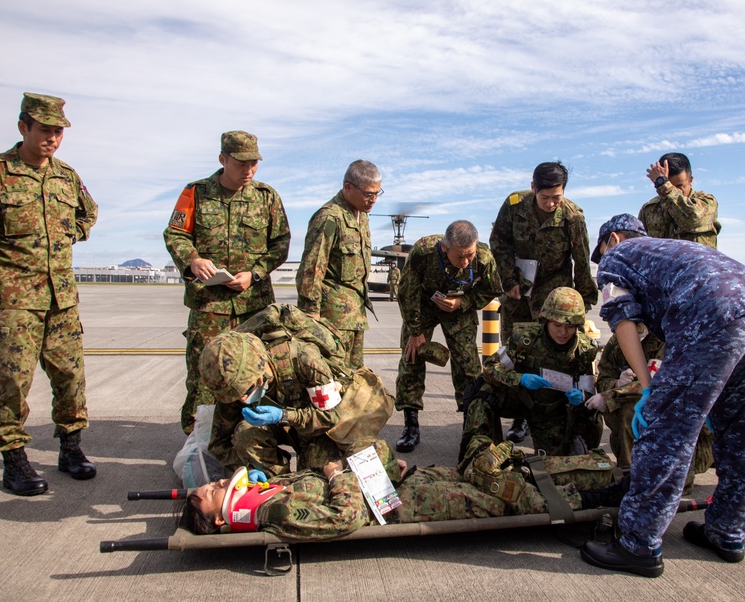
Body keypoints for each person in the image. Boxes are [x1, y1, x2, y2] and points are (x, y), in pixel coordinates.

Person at [580, 214, 745, 577]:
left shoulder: (617, 255)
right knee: (742, 430)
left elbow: (621, 320)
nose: (602, 260)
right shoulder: (674, 250)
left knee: (666, 432)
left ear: (612, 238)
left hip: (712, 313)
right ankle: (727, 532)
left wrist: (647, 387)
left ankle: (637, 544)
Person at [0, 92, 98, 495]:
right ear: (23, 127)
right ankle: (14, 459)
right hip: (14, 299)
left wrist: (72, 232)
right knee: (11, 382)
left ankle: (71, 449)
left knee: (71, 378)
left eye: (58, 132)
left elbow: (88, 211)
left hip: (62, 300)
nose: (52, 139)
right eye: (45, 130)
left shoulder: (66, 175)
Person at [180, 436, 626, 539]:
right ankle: (595, 498)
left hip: (400, 487)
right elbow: (343, 517)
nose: (215, 482)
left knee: (489, 469)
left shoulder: (264, 497)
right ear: (221, 517)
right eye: (210, 491)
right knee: (503, 495)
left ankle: (589, 475)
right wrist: (338, 477)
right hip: (404, 505)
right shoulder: (271, 514)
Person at [164, 131, 290, 435]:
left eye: (254, 164)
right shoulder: (195, 193)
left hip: (254, 306)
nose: (248, 170)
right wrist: (193, 260)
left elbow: (281, 243)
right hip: (210, 306)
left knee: (258, 375)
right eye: (241, 163)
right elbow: (175, 234)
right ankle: (201, 444)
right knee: (205, 376)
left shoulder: (266, 197)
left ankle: (253, 441)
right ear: (223, 159)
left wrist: (255, 273)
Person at [489, 161, 598, 443]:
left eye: (557, 198)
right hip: (518, 292)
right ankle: (520, 417)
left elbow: (581, 260)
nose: (550, 204)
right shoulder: (514, 205)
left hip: (553, 292)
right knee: (517, 352)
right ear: (533, 188)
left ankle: (556, 412)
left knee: (555, 351)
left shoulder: (572, 216)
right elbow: (498, 241)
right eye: (545, 197)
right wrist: (508, 279)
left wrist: (582, 303)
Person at [394, 221, 503, 452]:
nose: (465, 262)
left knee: (468, 366)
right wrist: (415, 332)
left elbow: (492, 289)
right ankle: (411, 425)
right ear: (445, 248)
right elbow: (406, 291)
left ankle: (470, 425)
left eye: (469, 255)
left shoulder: (483, 258)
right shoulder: (424, 252)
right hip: (423, 306)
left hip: (458, 308)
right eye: (459, 256)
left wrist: (463, 302)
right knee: (412, 359)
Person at [461, 287, 601, 458]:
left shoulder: (584, 350)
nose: (563, 332)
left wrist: (581, 398)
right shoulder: (526, 338)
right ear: (546, 320)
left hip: (551, 412)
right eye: (557, 325)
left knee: (555, 463)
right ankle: (479, 455)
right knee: (482, 394)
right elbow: (491, 367)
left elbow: (589, 393)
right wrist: (520, 379)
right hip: (518, 399)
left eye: (570, 326)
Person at [199, 324, 355, 477]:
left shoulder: (305, 360)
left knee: (318, 479)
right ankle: (277, 481)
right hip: (278, 431)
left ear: (259, 369)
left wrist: (284, 416)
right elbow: (219, 444)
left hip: (316, 432)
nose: (243, 399)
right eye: (236, 395)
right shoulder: (232, 384)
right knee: (245, 434)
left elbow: (331, 417)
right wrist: (245, 469)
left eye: (246, 390)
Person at [590, 330, 714, 495]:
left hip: (673, 414)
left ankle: (665, 476)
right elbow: (603, 379)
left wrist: (614, 393)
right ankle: (628, 473)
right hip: (635, 411)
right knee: (626, 409)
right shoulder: (616, 342)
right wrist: (615, 383)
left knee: (671, 488)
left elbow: (658, 384)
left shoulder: (667, 339)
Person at [296, 160, 381, 369]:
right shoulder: (329, 217)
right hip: (331, 319)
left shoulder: (361, 216)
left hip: (355, 317)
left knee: (353, 379)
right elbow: (311, 268)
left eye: (377, 193)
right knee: (330, 379)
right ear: (348, 187)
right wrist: (310, 314)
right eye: (368, 194)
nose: (373, 200)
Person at [638, 152, 720, 247]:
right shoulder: (650, 209)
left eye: (679, 186)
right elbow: (640, 246)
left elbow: (691, 219)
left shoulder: (706, 202)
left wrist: (663, 185)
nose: (674, 190)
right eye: (669, 185)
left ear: (691, 180)